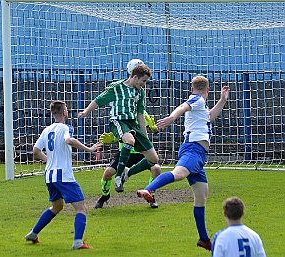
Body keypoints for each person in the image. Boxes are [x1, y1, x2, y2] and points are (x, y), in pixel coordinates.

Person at [137, 75, 229, 251]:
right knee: (179, 173)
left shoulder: (201, 104)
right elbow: (182, 107)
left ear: (192, 88)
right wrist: (171, 118)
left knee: (201, 195)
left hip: (198, 155)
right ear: (207, 90)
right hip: (193, 150)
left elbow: (209, 117)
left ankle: (203, 239)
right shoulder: (197, 99)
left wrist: (222, 101)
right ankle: (149, 189)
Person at [25, 100, 101, 250]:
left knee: (57, 206)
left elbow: (35, 150)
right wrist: (90, 149)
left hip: (49, 176)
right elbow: (69, 140)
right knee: (81, 208)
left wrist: (49, 160)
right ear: (64, 112)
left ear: (53, 114)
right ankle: (78, 242)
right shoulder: (66, 128)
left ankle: (33, 234)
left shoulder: (46, 130)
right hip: (64, 176)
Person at [78, 61, 160, 194]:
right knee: (129, 140)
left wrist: (144, 136)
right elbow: (99, 100)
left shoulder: (140, 92)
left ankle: (127, 173)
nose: (144, 84)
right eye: (143, 81)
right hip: (118, 121)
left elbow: (140, 115)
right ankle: (118, 177)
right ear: (135, 77)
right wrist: (86, 111)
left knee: (153, 159)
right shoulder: (116, 87)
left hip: (133, 124)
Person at [95, 111, 161, 209]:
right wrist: (112, 139)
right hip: (125, 152)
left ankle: (151, 195)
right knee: (108, 173)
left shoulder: (142, 114)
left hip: (141, 152)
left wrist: (154, 128)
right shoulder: (121, 113)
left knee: (156, 169)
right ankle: (105, 196)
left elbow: (152, 129)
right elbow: (119, 133)